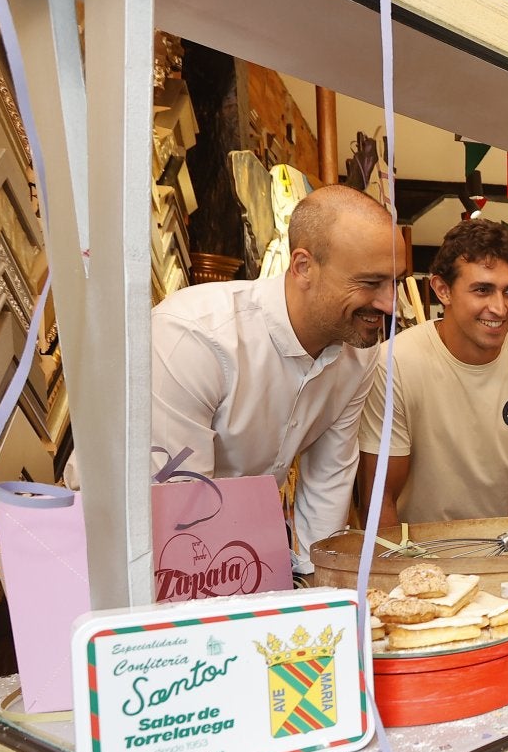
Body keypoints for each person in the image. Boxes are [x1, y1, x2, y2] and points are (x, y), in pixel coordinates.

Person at [151, 184, 400, 572]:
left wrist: (317, 590)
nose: (389, 304)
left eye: (395, 282)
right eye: (370, 283)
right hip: (132, 559)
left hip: (234, 554)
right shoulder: (193, 335)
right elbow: (178, 508)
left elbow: (328, 482)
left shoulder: (359, 352)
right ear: (303, 267)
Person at [358, 218, 508, 526]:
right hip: (416, 553)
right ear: (443, 290)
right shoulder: (393, 363)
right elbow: (380, 501)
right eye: (482, 290)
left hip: (504, 549)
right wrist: (403, 572)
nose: (499, 308)